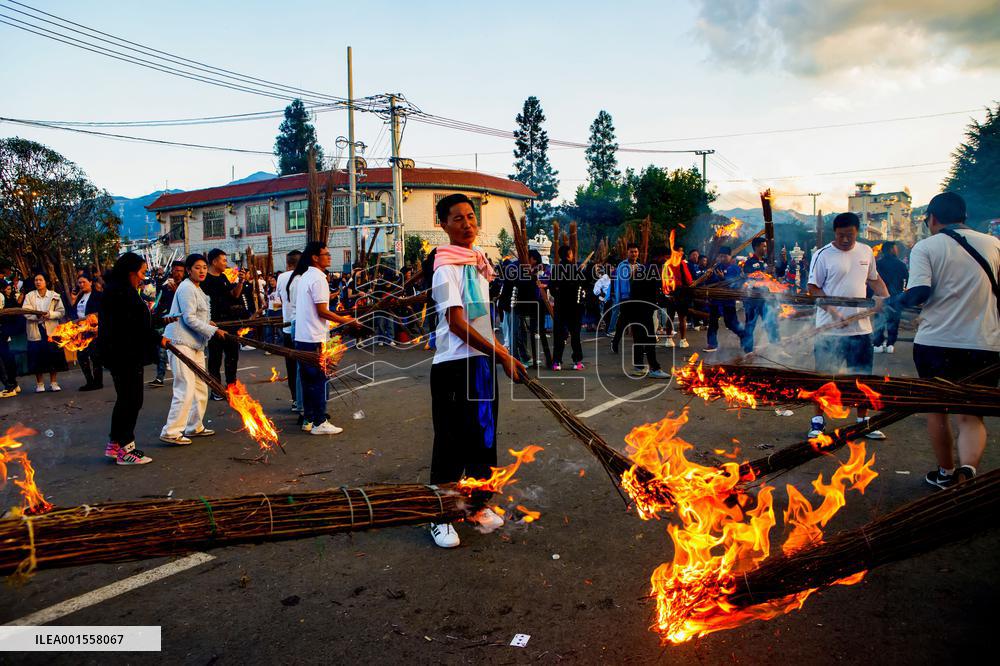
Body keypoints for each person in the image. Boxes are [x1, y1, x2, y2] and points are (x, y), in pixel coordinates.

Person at [876, 192, 1000, 488]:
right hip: (984, 343)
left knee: (938, 409)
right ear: (965, 217)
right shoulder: (994, 245)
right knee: (971, 415)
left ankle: (945, 473)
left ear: (931, 218)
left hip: (936, 344)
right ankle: (968, 470)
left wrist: (888, 302)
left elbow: (919, 292)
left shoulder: (927, 246)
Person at [427, 193, 527, 548]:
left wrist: (501, 352)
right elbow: (456, 324)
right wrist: (500, 353)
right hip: (453, 366)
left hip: (480, 364)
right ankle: (440, 515)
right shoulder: (445, 267)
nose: (467, 224)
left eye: (471, 216)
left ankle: (476, 506)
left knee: (483, 439)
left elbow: (481, 321)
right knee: (451, 442)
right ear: (443, 225)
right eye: (458, 218)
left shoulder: (478, 262)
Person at [807, 212, 889, 438]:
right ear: (834, 233)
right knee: (825, 378)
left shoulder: (866, 251)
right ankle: (817, 421)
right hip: (829, 330)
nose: (845, 240)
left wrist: (885, 298)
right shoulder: (822, 255)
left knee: (862, 378)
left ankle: (863, 422)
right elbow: (813, 288)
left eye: (849, 235)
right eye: (841, 235)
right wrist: (834, 313)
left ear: (857, 232)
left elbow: (874, 279)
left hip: (861, 329)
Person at [98, 252, 164, 465]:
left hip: (121, 354)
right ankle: (126, 449)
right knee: (132, 400)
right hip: (125, 354)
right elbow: (134, 326)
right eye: (142, 273)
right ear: (130, 272)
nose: (143, 278)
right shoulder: (122, 293)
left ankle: (114, 444)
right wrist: (158, 338)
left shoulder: (117, 290)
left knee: (125, 399)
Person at [160, 254, 227, 446]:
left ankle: (194, 426)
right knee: (185, 386)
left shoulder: (197, 289)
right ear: (189, 270)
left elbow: (198, 317)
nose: (202, 271)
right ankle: (171, 431)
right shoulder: (186, 288)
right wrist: (213, 330)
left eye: (204, 267)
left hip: (195, 344)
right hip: (180, 342)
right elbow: (188, 318)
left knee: (200, 386)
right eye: (197, 267)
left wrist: (209, 324)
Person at [290, 242, 355, 435]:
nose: (329, 256)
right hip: (314, 338)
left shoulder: (305, 276)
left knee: (308, 381)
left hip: (303, 336)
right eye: (325, 254)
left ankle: (309, 419)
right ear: (315, 257)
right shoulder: (318, 279)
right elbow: (322, 311)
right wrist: (346, 321)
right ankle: (320, 422)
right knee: (318, 380)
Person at [203, 249, 246, 399]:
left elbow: (235, 294)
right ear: (214, 261)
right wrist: (209, 324)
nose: (226, 263)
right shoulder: (205, 279)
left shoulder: (223, 277)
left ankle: (231, 387)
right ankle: (216, 390)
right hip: (213, 324)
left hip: (230, 323)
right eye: (224, 260)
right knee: (215, 358)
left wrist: (241, 281)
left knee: (232, 357)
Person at [23, 273, 67, 392]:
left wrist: (50, 314)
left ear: (46, 282)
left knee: (53, 356)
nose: (38, 282)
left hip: (51, 330)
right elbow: (25, 312)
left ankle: (54, 382)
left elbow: (61, 312)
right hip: (35, 330)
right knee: (36, 357)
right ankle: (40, 383)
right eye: (36, 280)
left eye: (40, 280)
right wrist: (37, 316)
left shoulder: (54, 295)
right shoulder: (29, 296)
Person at [703, 247, 748, 353]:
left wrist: (723, 278)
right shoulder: (716, 267)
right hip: (715, 299)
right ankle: (712, 344)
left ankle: (745, 338)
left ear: (730, 256)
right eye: (721, 256)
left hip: (728, 300)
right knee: (713, 322)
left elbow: (736, 284)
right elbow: (710, 283)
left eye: (724, 256)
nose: (722, 258)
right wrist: (708, 276)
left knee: (731, 323)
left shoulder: (735, 268)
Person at [741, 237, 781, 353]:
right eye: (764, 246)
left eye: (766, 246)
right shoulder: (749, 263)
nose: (766, 248)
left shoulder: (768, 261)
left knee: (771, 323)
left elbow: (780, 272)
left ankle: (776, 348)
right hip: (753, 300)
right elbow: (749, 280)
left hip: (766, 299)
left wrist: (783, 261)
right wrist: (763, 275)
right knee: (750, 325)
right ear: (756, 247)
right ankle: (748, 351)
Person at [149, 261, 185, 388]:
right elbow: (159, 304)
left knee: (181, 353)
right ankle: (160, 378)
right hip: (167, 323)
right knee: (162, 351)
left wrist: (176, 292)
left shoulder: (186, 288)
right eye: (176, 270)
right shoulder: (165, 288)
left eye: (181, 271)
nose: (178, 273)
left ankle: (184, 379)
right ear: (172, 271)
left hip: (181, 325)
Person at [549, 245, 586, 370]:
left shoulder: (556, 269)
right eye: (571, 253)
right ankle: (577, 362)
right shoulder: (575, 268)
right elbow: (581, 285)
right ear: (569, 254)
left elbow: (552, 287)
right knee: (575, 335)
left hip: (560, 306)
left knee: (559, 334)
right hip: (574, 307)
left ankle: (556, 362)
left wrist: (558, 295)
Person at [275, 250, 301, 409]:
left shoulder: (281, 277)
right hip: (302, 330)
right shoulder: (304, 277)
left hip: (287, 327)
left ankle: (295, 399)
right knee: (304, 366)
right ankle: (303, 400)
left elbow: (278, 298)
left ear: (288, 263)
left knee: (291, 367)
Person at [872, 242, 908, 354]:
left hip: (880, 298)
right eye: (896, 248)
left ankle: (878, 344)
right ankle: (890, 344)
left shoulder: (878, 264)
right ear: (891, 249)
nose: (897, 250)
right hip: (896, 297)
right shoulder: (901, 265)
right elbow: (906, 280)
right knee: (893, 322)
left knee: (879, 321)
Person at [72, 273, 104, 391]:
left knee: (95, 356)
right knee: (81, 356)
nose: (81, 285)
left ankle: (98, 381)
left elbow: (100, 312)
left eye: (84, 282)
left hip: (93, 330)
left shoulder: (98, 295)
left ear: (90, 282)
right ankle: (89, 381)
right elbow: (74, 311)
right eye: (79, 283)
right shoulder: (80, 296)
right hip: (80, 331)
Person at [611, 244, 641, 354]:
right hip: (626, 298)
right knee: (622, 323)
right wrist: (618, 299)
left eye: (635, 251)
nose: (634, 254)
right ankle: (615, 342)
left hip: (637, 298)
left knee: (637, 323)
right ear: (627, 252)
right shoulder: (622, 265)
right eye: (631, 252)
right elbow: (622, 281)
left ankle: (639, 347)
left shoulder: (639, 266)